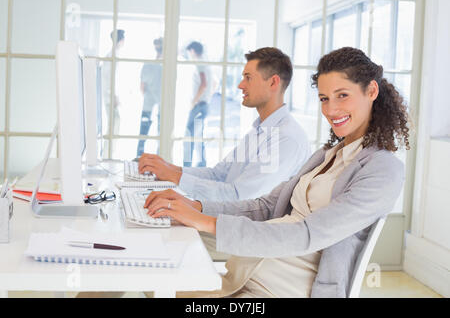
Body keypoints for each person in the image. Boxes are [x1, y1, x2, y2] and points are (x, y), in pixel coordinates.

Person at [144, 47, 410, 298]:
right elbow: (267, 206)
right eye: (324, 99)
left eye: (343, 95)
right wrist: (196, 206)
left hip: (276, 291)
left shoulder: (383, 169)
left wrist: (205, 221)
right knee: (147, 273)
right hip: (245, 276)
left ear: (371, 90)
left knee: (153, 283)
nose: (330, 110)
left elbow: (306, 233)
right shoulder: (327, 155)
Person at [139, 47, 310, 203]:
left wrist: (173, 176)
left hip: (241, 231)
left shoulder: (286, 138)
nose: (240, 85)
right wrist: (168, 168)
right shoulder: (259, 130)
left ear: (273, 83)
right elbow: (218, 175)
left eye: (248, 78)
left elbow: (239, 197)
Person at [183, 41, 212, 167]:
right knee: (198, 136)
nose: (189, 55)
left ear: (193, 51)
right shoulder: (206, 64)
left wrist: (194, 101)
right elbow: (214, 83)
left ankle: (186, 167)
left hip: (199, 105)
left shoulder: (200, 64)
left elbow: (204, 83)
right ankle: (202, 165)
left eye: (189, 52)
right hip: (204, 104)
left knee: (189, 136)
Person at [136, 37, 163, 157]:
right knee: (160, 134)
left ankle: (139, 156)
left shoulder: (148, 65)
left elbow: (142, 86)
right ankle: (160, 156)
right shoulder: (168, 66)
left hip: (148, 103)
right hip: (161, 104)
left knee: (143, 133)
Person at [102, 29, 125, 135]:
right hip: (109, 96)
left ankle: (109, 151)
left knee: (114, 124)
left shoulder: (111, 55)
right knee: (115, 124)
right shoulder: (113, 56)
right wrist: (114, 96)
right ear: (121, 40)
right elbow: (111, 78)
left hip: (109, 95)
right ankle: (108, 151)